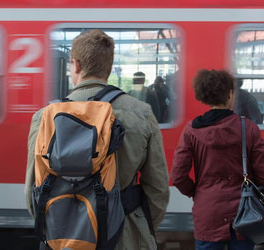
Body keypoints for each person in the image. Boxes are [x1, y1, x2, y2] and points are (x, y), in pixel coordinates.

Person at [25, 29, 169, 249]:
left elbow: (32, 193)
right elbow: (157, 189)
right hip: (124, 235)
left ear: (75, 65)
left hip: (64, 238)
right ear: (109, 68)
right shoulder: (141, 113)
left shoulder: (43, 118)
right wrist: (138, 226)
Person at [171, 69, 264, 250]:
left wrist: (197, 192)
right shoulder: (248, 128)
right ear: (230, 94)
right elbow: (262, 172)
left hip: (207, 213)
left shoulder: (191, 131)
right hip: (244, 213)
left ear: (205, 97)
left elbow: (178, 176)